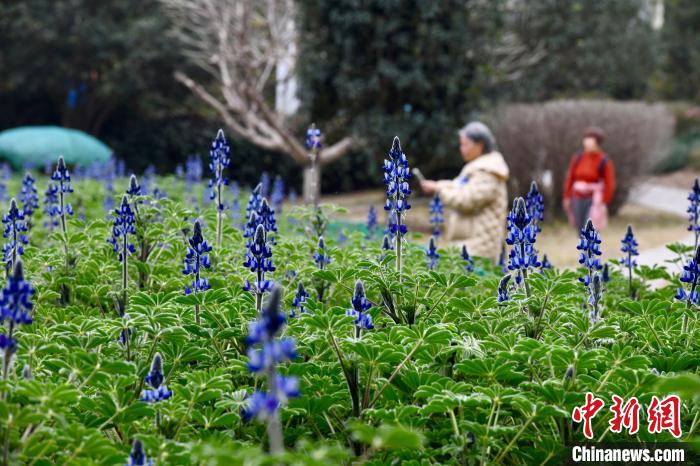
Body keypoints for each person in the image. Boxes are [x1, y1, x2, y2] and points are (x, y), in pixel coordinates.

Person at [420, 121, 510, 260]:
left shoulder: (488, 171)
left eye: (465, 144)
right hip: (469, 243)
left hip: (480, 247)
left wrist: (439, 191)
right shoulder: (478, 168)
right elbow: (458, 185)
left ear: (479, 145)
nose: (461, 149)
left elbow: (466, 200)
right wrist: (437, 185)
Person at [563, 127, 616, 232]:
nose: (587, 142)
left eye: (591, 140)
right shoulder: (578, 157)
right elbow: (570, 178)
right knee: (579, 228)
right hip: (577, 197)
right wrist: (567, 196)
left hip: (594, 200)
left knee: (591, 228)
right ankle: (583, 247)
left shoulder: (604, 160)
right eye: (586, 139)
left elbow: (609, 183)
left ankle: (590, 248)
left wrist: (604, 202)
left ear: (598, 142)